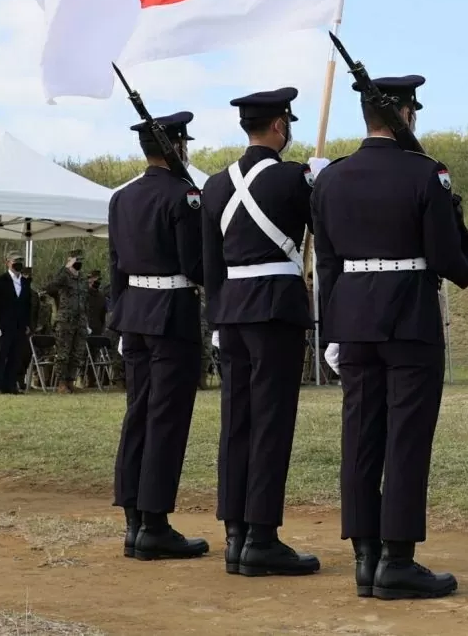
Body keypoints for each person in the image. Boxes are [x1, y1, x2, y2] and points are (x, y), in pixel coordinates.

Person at [312, 73, 468, 600]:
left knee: (360, 439)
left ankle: (365, 559)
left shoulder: (332, 179)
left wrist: (332, 324)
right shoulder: (425, 173)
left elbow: (326, 263)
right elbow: (442, 255)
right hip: (408, 318)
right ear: (406, 115)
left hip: (352, 319)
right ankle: (398, 559)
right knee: (406, 439)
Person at [200, 87, 322, 578]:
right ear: (279, 126)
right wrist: (319, 182)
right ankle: (262, 538)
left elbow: (211, 265)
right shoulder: (295, 179)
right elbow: (326, 235)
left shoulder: (213, 185)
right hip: (275, 308)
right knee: (271, 423)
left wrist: (214, 319)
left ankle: (234, 535)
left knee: (237, 422)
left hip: (231, 311)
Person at [108, 111, 208, 562]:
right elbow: (195, 265)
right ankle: (155, 524)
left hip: (134, 313)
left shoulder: (121, 198)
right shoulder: (183, 196)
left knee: (139, 414)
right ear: (178, 146)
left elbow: (115, 266)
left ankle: (133, 518)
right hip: (171, 315)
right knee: (166, 420)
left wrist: (118, 317)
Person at [0, 252, 35, 394]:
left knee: (16, 356)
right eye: (15, 261)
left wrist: (28, 324)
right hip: (4, 324)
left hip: (19, 325)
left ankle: (11, 385)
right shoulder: (0, 281)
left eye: (20, 261)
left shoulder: (25, 283)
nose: (18, 263)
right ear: (7, 262)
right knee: (2, 355)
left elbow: (28, 305)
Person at [45, 250, 88, 393]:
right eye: (76, 260)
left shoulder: (82, 279)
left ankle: (71, 381)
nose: (79, 263)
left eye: (80, 260)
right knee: (63, 353)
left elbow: (85, 300)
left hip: (80, 320)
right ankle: (61, 382)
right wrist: (65, 268)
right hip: (65, 320)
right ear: (70, 260)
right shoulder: (63, 277)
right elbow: (50, 287)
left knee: (77, 353)